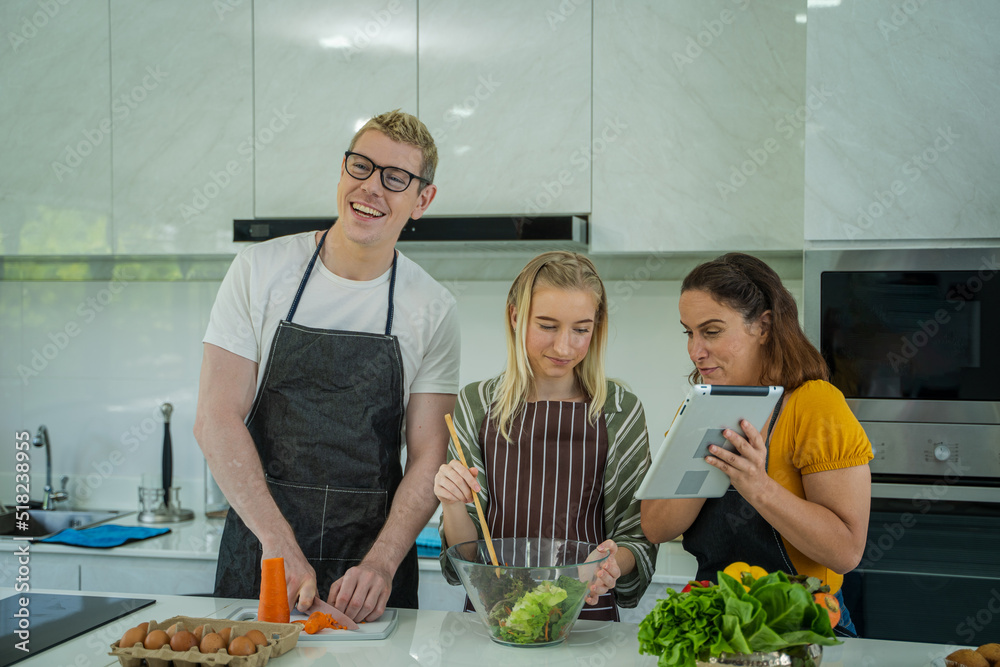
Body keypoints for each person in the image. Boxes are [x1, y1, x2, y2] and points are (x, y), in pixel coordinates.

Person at [194, 110, 460, 623]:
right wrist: (277, 543)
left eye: (396, 178)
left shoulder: (432, 306)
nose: (371, 188)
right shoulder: (258, 271)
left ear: (421, 200)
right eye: (361, 166)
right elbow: (215, 418)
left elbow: (430, 455)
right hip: (262, 553)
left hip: (369, 575)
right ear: (343, 171)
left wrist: (382, 564)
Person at [640, 252, 872, 636]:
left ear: (763, 326)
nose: (695, 350)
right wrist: (702, 454)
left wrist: (758, 486)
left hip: (804, 625)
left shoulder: (814, 403)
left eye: (711, 331)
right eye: (689, 332)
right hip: (716, 621)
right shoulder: (700, 405)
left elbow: (845, 551)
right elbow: (656, 527)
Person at [434, 252, 657, 620]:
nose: (564, 347)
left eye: (581, 329)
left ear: (596, 328)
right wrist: (451, 502)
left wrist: (611, 565)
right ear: (515, 317)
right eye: (548, 326)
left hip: (586, 616)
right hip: (495, 617)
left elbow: (636, 537)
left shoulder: (620, 409)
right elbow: (466, 555)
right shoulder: (477, 404)